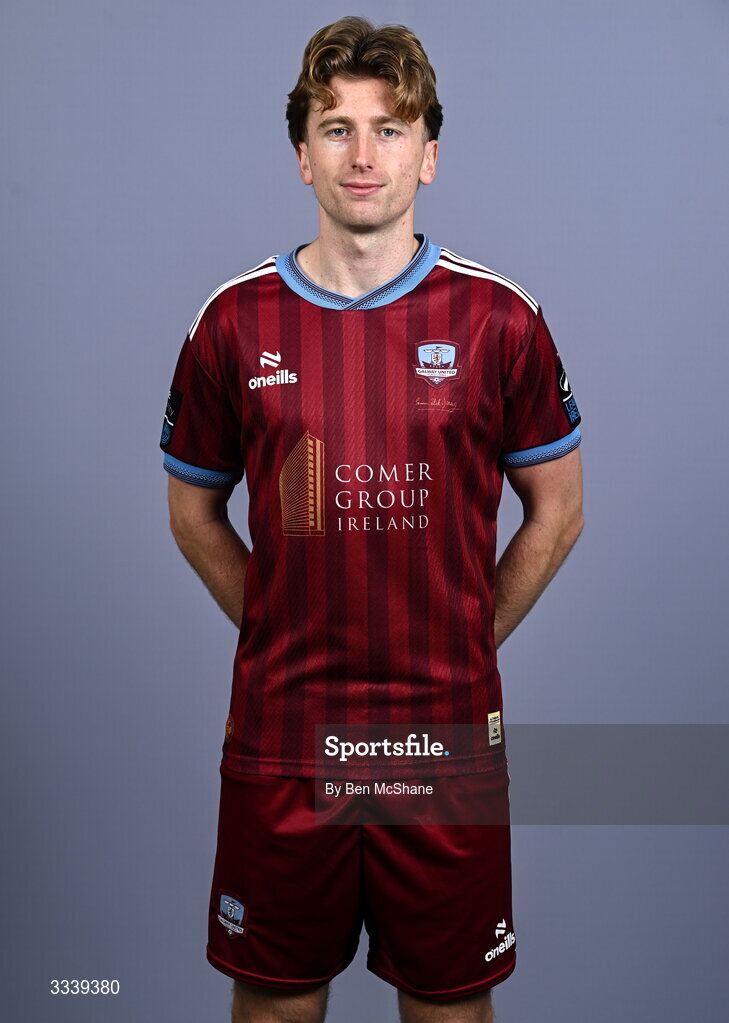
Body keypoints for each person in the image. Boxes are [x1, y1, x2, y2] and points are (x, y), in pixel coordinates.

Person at [160, 15, 583, 1023]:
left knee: (446, 1007)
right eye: (336, 127)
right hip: (283, 736)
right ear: (301, 152)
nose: (363, 154)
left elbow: (557, 513)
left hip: (439, 741)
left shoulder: (499, 320)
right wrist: (277, 627)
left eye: (391, 129)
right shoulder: (233, 321)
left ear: (429, 155)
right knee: (275, 1003)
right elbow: (192, 509)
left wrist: (463, 641)